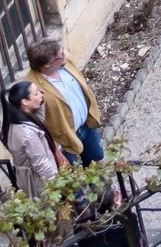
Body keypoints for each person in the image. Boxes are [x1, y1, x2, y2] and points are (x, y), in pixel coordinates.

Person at [25, 37, 104, 166]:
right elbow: (33, 121)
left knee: (96, 159)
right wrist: (54, 145)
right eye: (60, 55)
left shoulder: (63, 60)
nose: (65, 55)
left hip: (86, 125)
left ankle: (103, 187)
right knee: (70, 178)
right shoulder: (31, 87)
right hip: (64, 139)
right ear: (47, 64)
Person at [3, 79, 63, 198]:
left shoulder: (17, 120)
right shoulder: (28, 133)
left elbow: (39, 120)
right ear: (25, 101)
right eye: (36, 93)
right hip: (38, 182)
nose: (41, 94)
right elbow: (40, 163)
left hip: (28, 178)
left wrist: (41, 101)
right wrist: (57, 184)